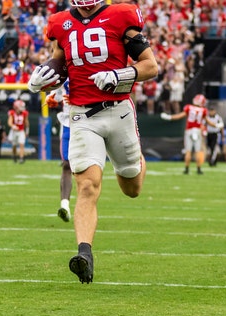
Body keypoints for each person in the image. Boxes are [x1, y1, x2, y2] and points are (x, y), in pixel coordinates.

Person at [28, 0, 158, 283]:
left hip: (119, 110)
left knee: (132, 187)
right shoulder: (60, 23)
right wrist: (43, 77)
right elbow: (60, 63)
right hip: (81, 114)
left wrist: (118, 74)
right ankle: (84, 254)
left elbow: (150, 66)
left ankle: (135, 161)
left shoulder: (121, 15)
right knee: (87, 185)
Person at [161, 94, 215, 174]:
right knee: (197, 151)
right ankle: (199, 169)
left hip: (189, 130)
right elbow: (208, 121)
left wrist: (169, 117)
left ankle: (186, 169)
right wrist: (216, 125)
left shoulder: (189, 107)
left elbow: (180, 116)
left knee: (188, 151)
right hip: (197, 131)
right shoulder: (203, 110)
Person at [47, 79, 72, 222]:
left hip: (88, 122)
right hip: (69, 123)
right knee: (66, 164)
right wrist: (51, 97)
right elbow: (56, 93)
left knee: (88, 170)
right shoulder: (63, 68)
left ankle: (86, 206)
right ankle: (65, 206)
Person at [7, 99, 29, 164]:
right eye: (21, 106)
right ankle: (14, 156)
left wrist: (27, 130)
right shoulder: (12, 113)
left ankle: (21, 158)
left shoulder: (24, 113)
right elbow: (9, 122)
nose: (22, 108)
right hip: (14, 131)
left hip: (21, 131)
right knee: (14, 145)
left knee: (22, 144)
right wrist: (13, 126)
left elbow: (26, 122)